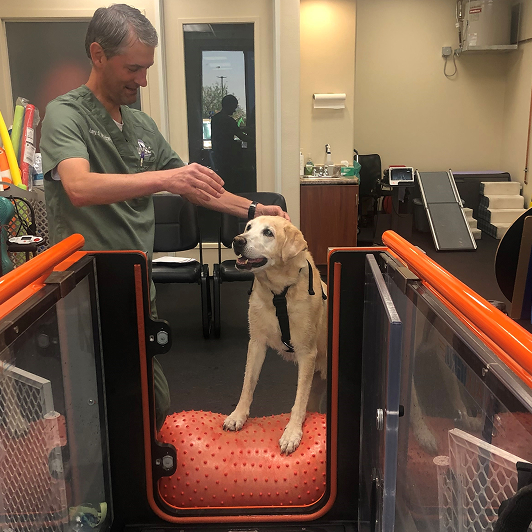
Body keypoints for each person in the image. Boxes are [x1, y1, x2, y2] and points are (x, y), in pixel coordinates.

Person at [39, 4, 289, 431]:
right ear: (98, 54)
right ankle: (96, 491)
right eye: (133, 68)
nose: (143, 80)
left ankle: (143, 480)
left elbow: (195, 187)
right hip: (86, 287)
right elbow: (79, 187)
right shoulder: (66, 114)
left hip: (137, 283)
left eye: (147, 68)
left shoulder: (141, 125)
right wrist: (167, 178)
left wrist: (253, 209)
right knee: (95, 399)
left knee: (150, 398)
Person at [210, 94, 250, 193]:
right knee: (232, 182)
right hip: (229, 157)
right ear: (229, 105)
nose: (235, 110)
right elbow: (241, 136)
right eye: (234, 107)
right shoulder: (229, 120)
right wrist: (256, 141)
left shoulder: (215, 119)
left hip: (218, 155)